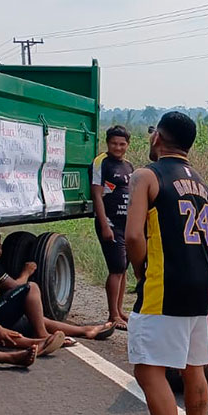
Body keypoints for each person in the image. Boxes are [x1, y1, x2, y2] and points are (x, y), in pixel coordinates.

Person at [125, 111, 208, 415]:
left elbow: (132, 237)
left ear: (158, 137)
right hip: (201, 281)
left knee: (148, 370)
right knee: (194, 367)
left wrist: (143, 270)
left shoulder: (147, 175)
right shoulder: (201, 184)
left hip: (166, 283)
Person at [0, 226, 112, 346]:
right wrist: (26, 272)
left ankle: (86, 330)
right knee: (31, 287)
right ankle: (43, 335)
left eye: (0, 245)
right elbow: (14, 286)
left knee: (35, 317)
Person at [91, 125, 134, 330]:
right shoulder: (102, 163)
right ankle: (113, 315)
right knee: (116, 268)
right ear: (107, 143)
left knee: (124, 268)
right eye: (114, 143)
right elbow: (97, 194)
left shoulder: (128, 166)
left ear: (127, 145)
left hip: (126, 224)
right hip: (110, 223)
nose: (118, 147)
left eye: (122, 144)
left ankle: (119, 309)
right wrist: (104, 224)